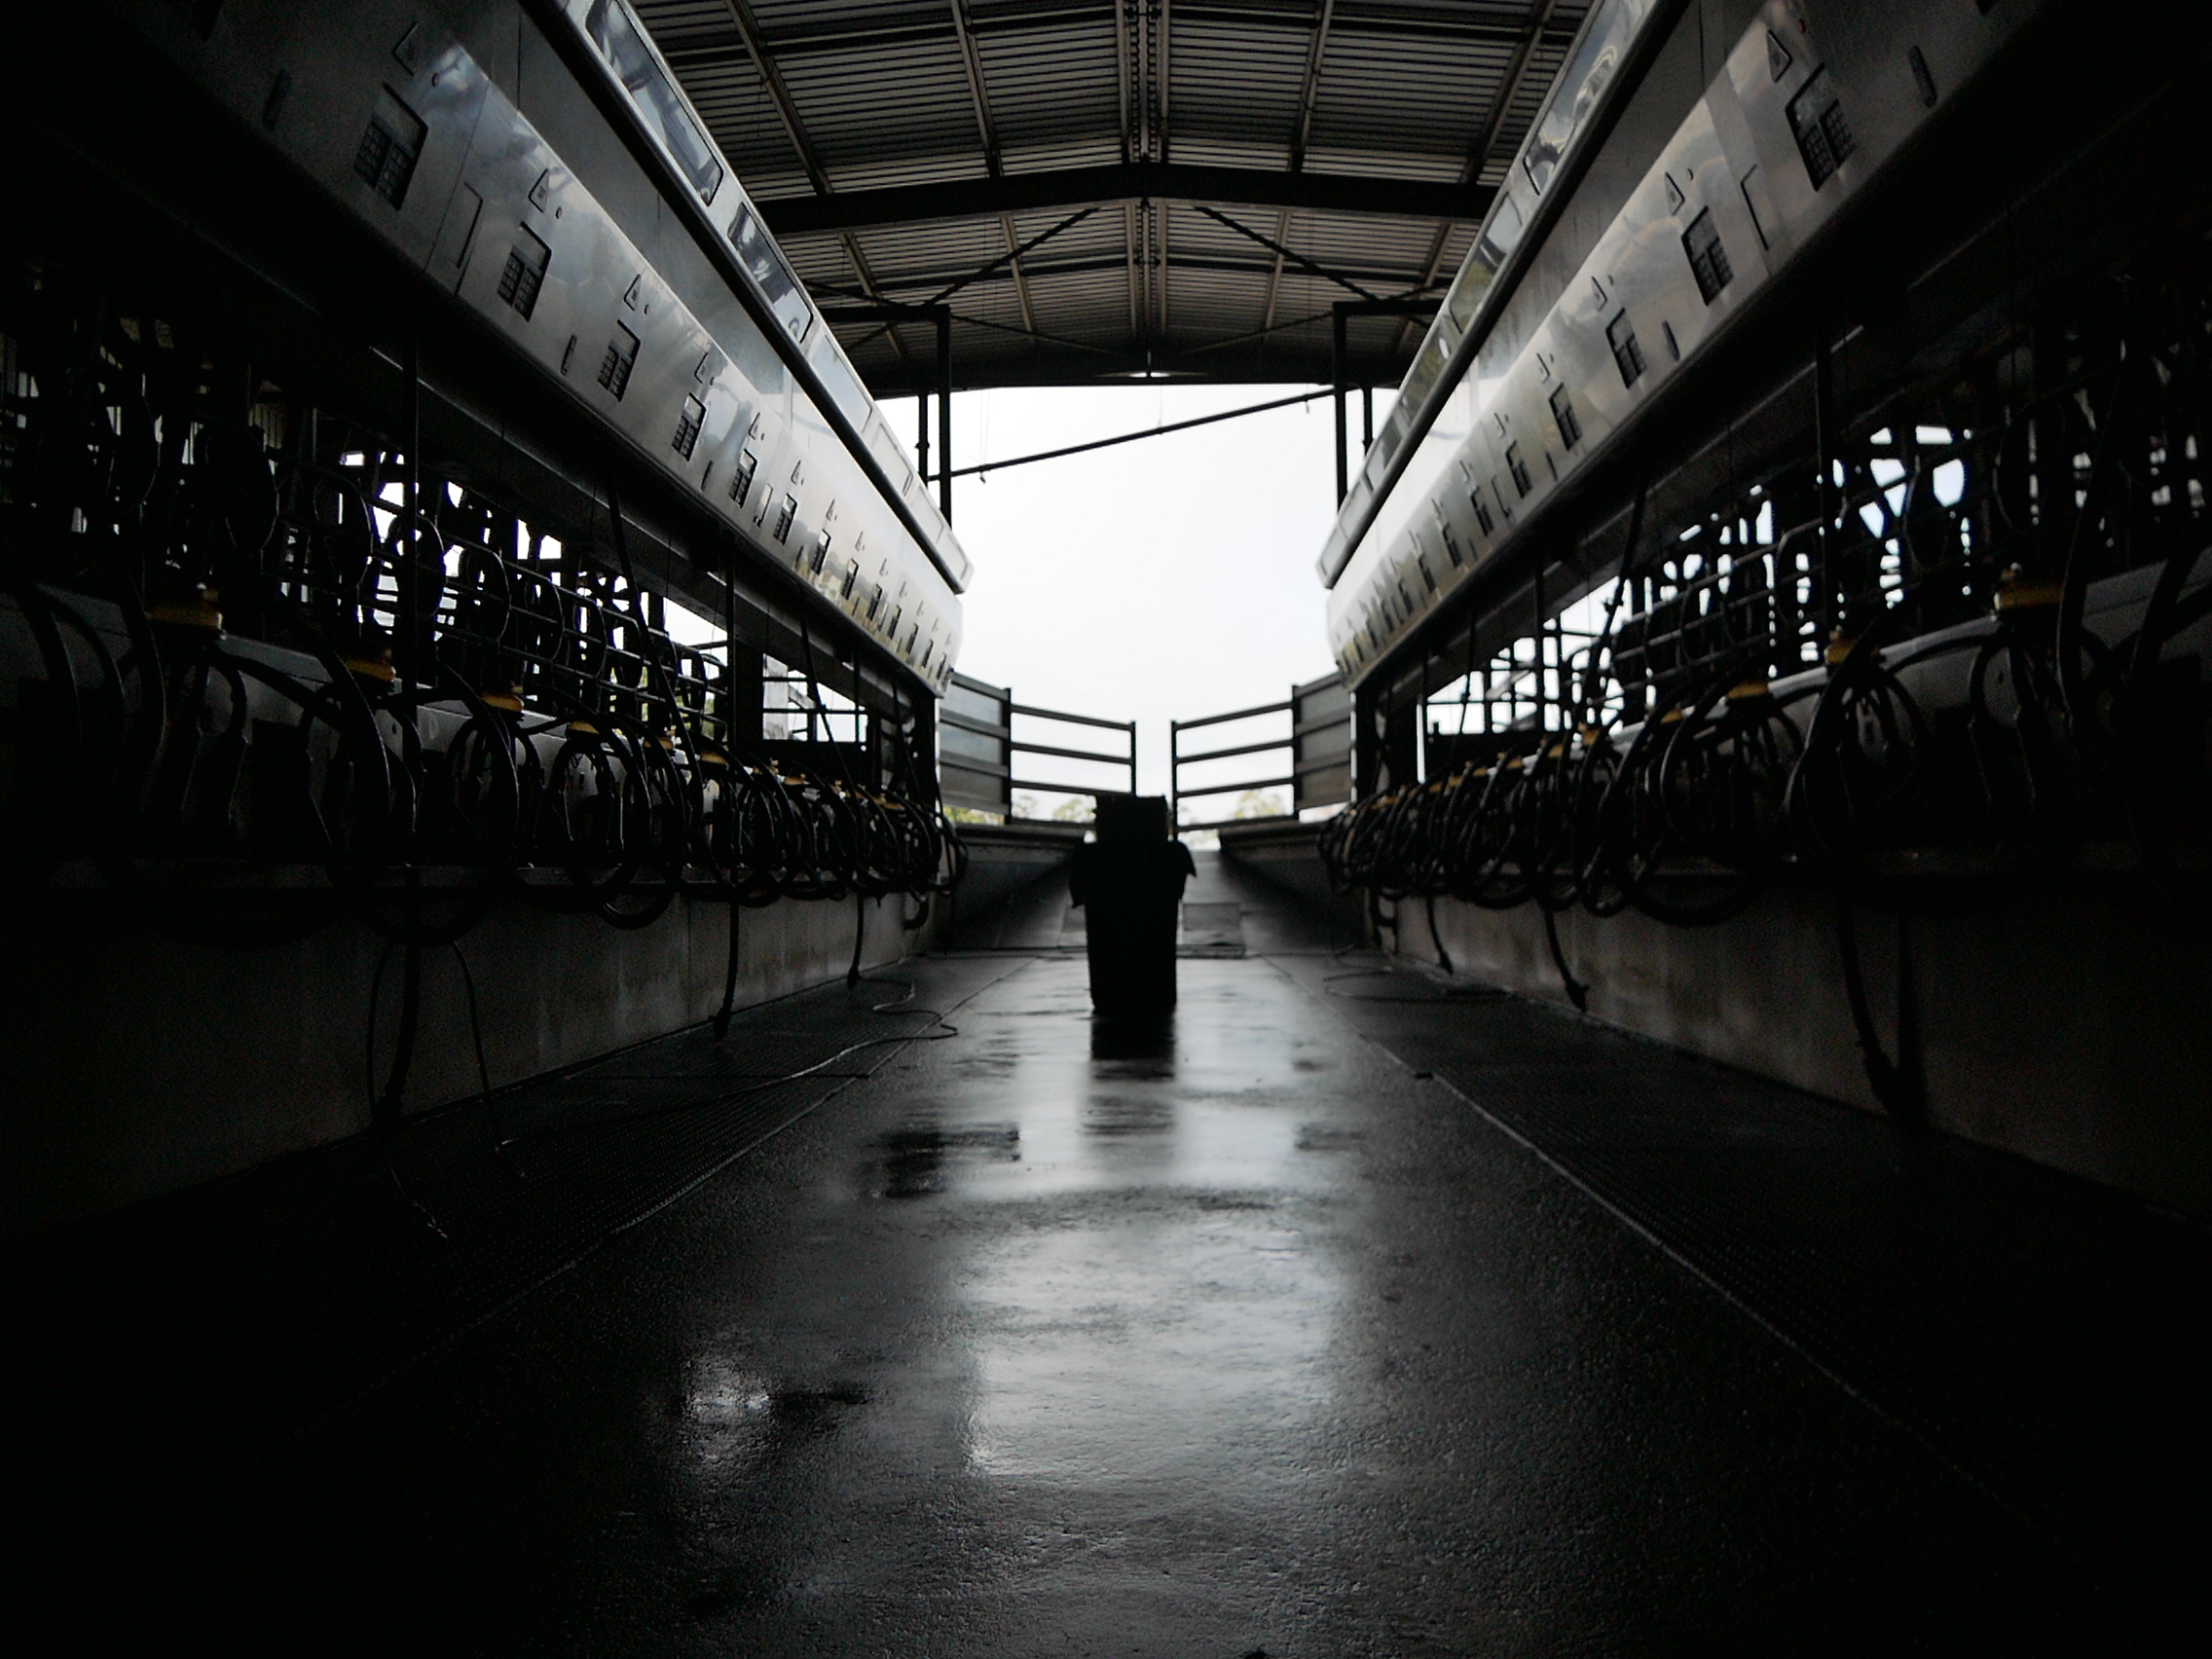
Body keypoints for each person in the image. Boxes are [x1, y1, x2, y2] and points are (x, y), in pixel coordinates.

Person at [1066, 794, 1196, 1019]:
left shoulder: (1091, 857)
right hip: (1158, 986)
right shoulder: (1171, 855)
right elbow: (1177, 891)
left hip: (1107, 985)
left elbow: (1079, 892)